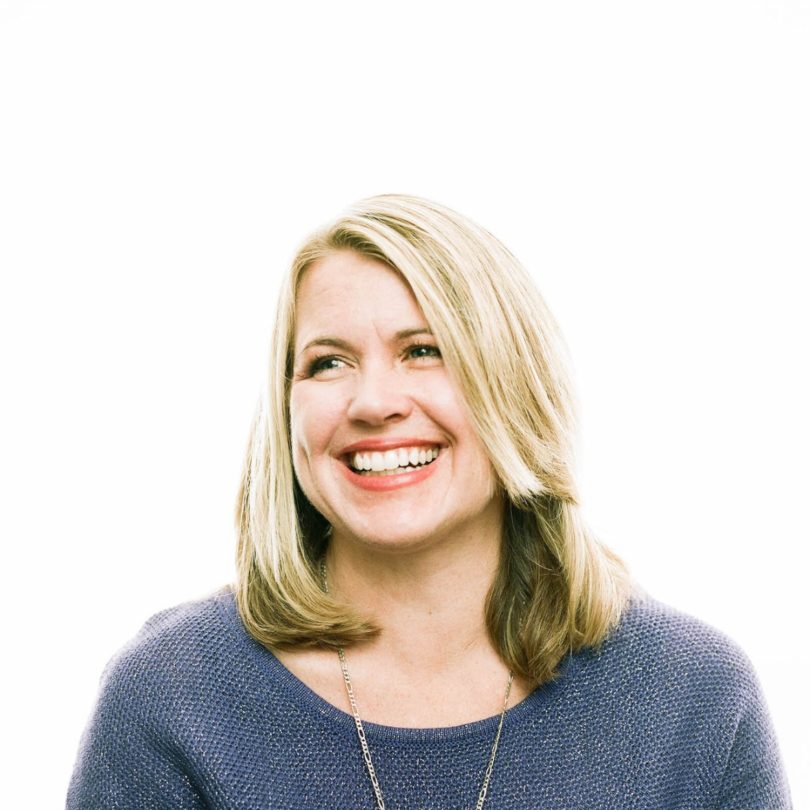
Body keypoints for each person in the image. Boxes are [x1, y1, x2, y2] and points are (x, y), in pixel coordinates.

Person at [67, 194, 792, 809]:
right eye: (327, 362)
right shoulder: (171, 700)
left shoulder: (693, 703)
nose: (374, 402)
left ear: (514, 382)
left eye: (424, 350)